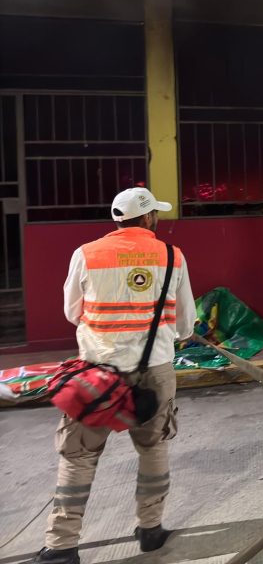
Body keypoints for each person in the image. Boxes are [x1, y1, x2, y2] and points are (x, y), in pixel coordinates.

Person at [33, 188, 197, 564]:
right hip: (155, 370)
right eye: (155, 214)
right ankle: (151, 529)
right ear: (148, 217)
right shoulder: (172, 255)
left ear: (118, 219)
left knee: (78, 455)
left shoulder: (86, 253)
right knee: (153, 447)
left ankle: (61, 545)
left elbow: (72, 312)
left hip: (97, 374)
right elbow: (185, 322)